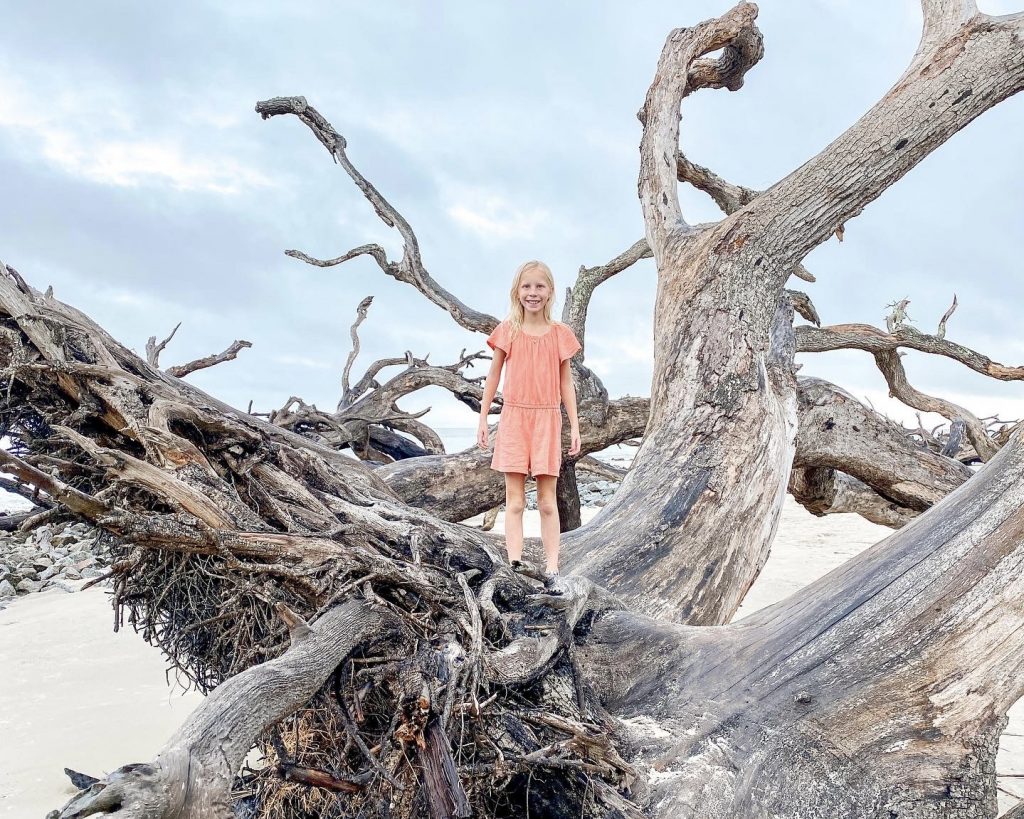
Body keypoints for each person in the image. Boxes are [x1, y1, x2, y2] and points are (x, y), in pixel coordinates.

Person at [477, 260, 581, 583]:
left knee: (548, 503)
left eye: (539, 286)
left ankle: (552, 566)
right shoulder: (508, 330)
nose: (533, 293)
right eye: (527, 286)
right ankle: (515, 563)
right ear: (517, 291)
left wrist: (575, 425)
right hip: (514, 418)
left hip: (547, 420)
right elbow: (493, 374)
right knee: (516, 501)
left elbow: (566, 383)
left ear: (549, 292)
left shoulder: (559, 334)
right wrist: (482, 418)